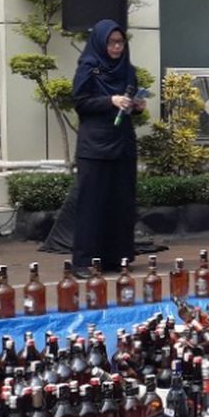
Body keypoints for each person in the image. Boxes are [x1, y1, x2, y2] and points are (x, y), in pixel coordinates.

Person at [71, 19, 144, 276]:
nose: (116, 48)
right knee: (92, 203)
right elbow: (80, 102)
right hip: (95, 146)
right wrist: (110, 100)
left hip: (122, 142)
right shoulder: (89, 68)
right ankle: (84, 261)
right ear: (101, 43)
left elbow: (129, 99)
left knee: (121, 202)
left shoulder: (127, 69)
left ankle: (117, 257)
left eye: (120, 42)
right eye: (111, 43)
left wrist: (135, 105)